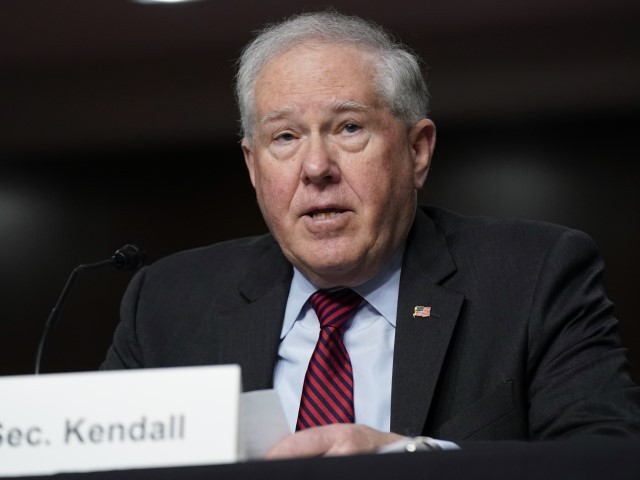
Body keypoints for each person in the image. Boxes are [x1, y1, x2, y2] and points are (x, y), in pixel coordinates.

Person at [100, 9, 640, 458]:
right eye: (284, 137)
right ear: (252, 166)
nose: (316, 167)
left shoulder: (533, 275)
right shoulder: (167, 304)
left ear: (416, 151)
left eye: (349, 128)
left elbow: (605, 456)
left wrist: (407, 461)